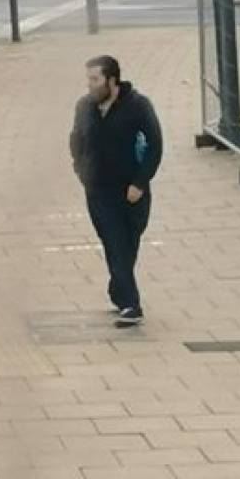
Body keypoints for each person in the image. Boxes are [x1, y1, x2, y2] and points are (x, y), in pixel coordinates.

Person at [69, 55, 163, 329]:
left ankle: (118, 289)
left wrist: (140, 182)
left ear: (112, 80)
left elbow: (155, 146)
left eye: (95, 80)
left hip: (132, 190)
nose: (90, 85)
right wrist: (81, 171)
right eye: (88, 79)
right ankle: (131, 304)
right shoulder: (85, 107)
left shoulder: (138, 106)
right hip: (98, 189)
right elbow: (76, 140)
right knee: (114, 240)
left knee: (128, 242)